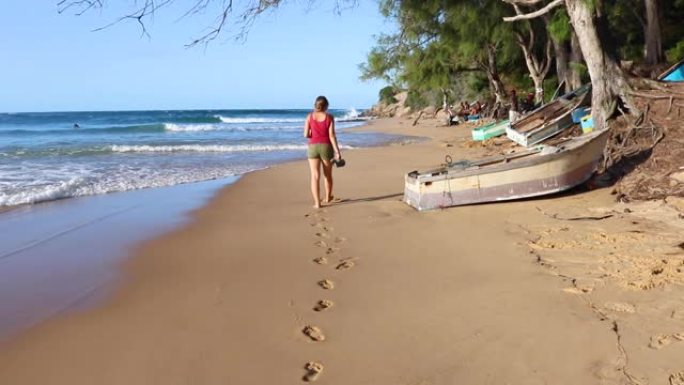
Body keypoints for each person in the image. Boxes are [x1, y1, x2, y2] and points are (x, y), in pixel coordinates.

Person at [303, 96, 342, 209]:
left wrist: (313, 135)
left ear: (315, 105)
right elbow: (332, 136)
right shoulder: (329, 117)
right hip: (326, 147)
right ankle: (328, 197)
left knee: (315, 176)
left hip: (313, 147)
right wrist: (337, 151)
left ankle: (317, 203)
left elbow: (305, 135)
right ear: (326, 106)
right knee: (327, 175)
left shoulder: (309, 117)